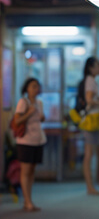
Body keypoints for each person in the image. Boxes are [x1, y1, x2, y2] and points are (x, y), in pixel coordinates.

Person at [14, 78, 46, 212]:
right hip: (25, 141)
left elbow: (40, 119)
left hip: (38, 140)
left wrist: (41, 116)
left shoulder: (39, 102)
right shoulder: (23, 102)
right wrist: (28, 113)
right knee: (25, 171)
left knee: (32, 170)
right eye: (33, 86)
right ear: (26, 88)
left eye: (37, 86)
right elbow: (17, 121)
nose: (36, 89)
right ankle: (27, 202)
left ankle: (29, 200)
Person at [82, 57, 99, 195]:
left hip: (93, 121)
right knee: (89, 154)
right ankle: (90, 187)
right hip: (91, 121)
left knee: (90, 154)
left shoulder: (92, 80)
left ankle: (91, 186)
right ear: (91, 68)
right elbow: (89, 99)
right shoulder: (90, 81)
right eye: (98, 65)